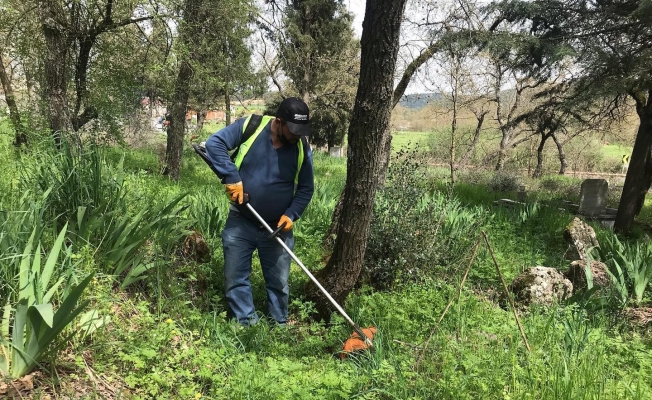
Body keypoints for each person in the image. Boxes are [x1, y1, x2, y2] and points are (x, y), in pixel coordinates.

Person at [204, 98, 315, 326]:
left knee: (279, 282)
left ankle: (278, 324)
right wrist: (232, 177)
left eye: (300, 131)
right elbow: (214, 143)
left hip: (277, 227)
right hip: (241, 220)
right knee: (235, 277)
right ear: (278, 122)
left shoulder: (301, 146)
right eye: (292, 131)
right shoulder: (251, 126)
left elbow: (306, 188)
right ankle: (246, 324)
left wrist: (291, 214)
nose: (296, 136)